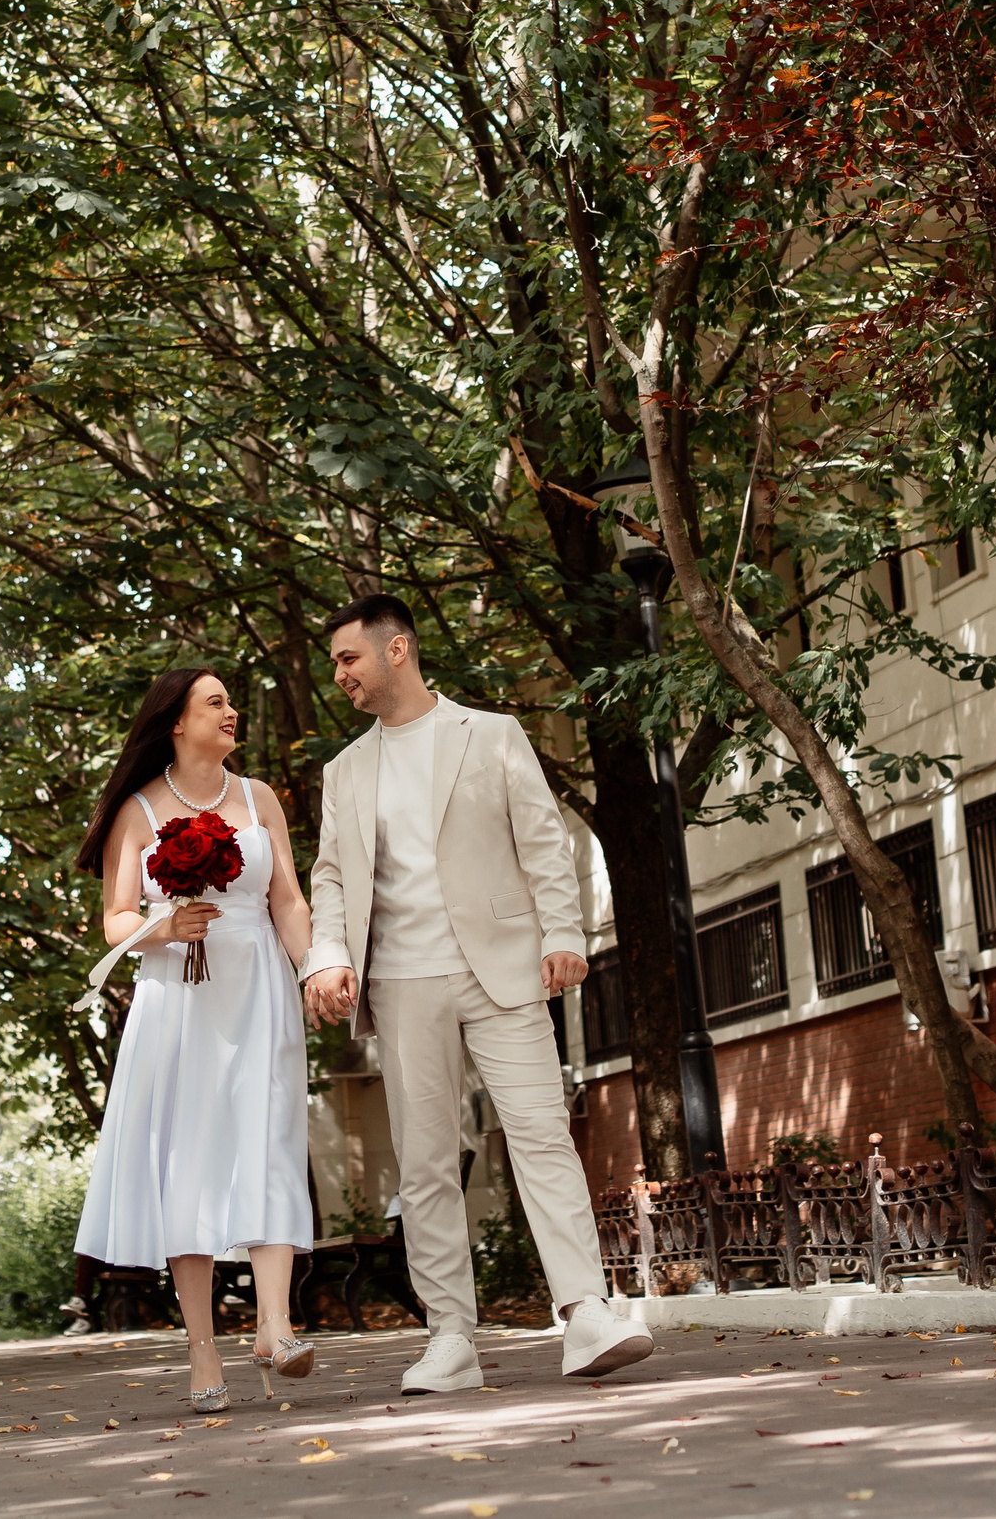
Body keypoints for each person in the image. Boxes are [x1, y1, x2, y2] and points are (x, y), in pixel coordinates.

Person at [300, 593, 652, 1392]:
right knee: (424, 1160)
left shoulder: (491, 733)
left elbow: (541, 836)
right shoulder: (344, 770)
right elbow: (329, 877)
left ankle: (586, 1312)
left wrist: (564, 933)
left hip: (503, 965)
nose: (340, 675)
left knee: (539, 1134)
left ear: (398, 650)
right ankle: (451, 1336)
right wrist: (325, 955)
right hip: (400, 979)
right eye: (332, 665)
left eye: (349, 658)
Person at [71, 667, 318, 1413]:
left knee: (272, 1138)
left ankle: (275, 1325)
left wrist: (316, 972)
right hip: (178, 999)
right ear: (176, 722)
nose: (232, 711)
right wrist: (162, 924)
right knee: (190, 1164)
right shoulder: (139, 811)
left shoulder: (259, 798)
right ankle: (203, 1348)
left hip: (259, 992)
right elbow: (115, 919)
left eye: (231, 701)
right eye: (216, 702)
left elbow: (289, 898)